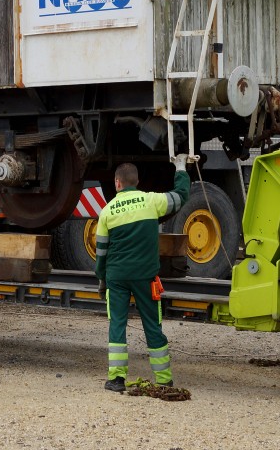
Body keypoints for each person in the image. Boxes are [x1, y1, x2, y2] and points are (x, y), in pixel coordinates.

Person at [95, 156, 191, 392]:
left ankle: (117, 379)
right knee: (152, 325)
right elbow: (181, 196)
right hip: (145, 277)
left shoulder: (107, 212)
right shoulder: (151, 201)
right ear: (136, 181)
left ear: (117, 183)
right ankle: (164, 379)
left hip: (117, 277)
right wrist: (180, 168)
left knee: (117, 324)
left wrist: (102, 279)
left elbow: (101, 253)